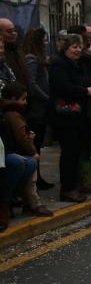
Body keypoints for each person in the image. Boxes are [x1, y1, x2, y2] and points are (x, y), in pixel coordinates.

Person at [49, 34, 91, 202]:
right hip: (66, 117)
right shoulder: (59, 65)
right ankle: (67, 188)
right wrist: (86, 91)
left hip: (80, 115)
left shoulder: (80, 65)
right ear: (65, 49)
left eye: (80, 46)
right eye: (74, 47)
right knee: (69, 153)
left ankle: (77, 184)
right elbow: (63, 86)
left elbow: (86, 81)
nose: (78, 50)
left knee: (79, 152)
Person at [0, 82, 53, 218]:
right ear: (12, 98)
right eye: (23, 99)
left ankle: (23, 201)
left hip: (9, 149)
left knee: (29, 164)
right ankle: (14, 201)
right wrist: (33, 151)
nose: (25, 102)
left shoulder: (12, 112)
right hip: (12, 150)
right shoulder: (13, 113)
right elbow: (21, 135)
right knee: (23, 163)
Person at [22, 28, 53, 190]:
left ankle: (38, 177)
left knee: (39, 143)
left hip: (41, 107)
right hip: (37, 109)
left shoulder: (39, 58)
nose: (46, 42)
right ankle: (34, 178)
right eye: (44, 39)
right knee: (35, 144)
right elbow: (32, 83)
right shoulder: (32, 58)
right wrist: (46, 97)